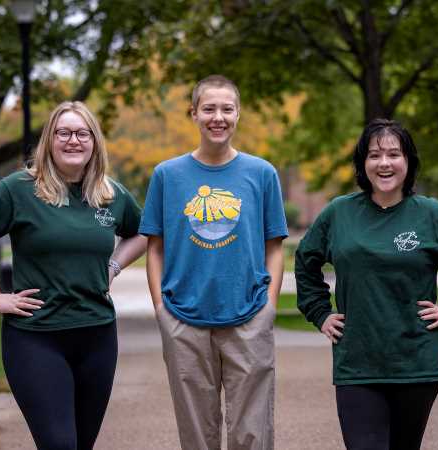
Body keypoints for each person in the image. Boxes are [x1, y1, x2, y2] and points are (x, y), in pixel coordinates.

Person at [0, 101, 146, 449]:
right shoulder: (19, 189)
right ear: (49, 140)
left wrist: (113, 265)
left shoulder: (110, 194)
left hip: (97, 335)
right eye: (64, 133)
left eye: (82, 133)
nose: (74, 140)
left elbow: (144, 233)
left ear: (94, 142)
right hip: (36, 337)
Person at [294, 118, 438, 450]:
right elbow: (305, 261)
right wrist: (319, 312)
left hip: (415, 362)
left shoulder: (432, 215)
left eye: (393, 154)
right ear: (363, 163)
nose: (384, 163)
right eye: (374, 155)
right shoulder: (339, 213)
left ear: (408, 161)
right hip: (357, 362)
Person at [139, 74, 288, 450]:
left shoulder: (262, 174)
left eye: (227, 108)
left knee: (252, 433)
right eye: (208, 108)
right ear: (193, 114)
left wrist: (269, 306)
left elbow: (275, 246)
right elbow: (154, 247)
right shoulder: (167, 175)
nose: (217, 117)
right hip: (184, 320)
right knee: (197, 435)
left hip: (249, 317)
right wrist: (161, 309)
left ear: (238, 115)